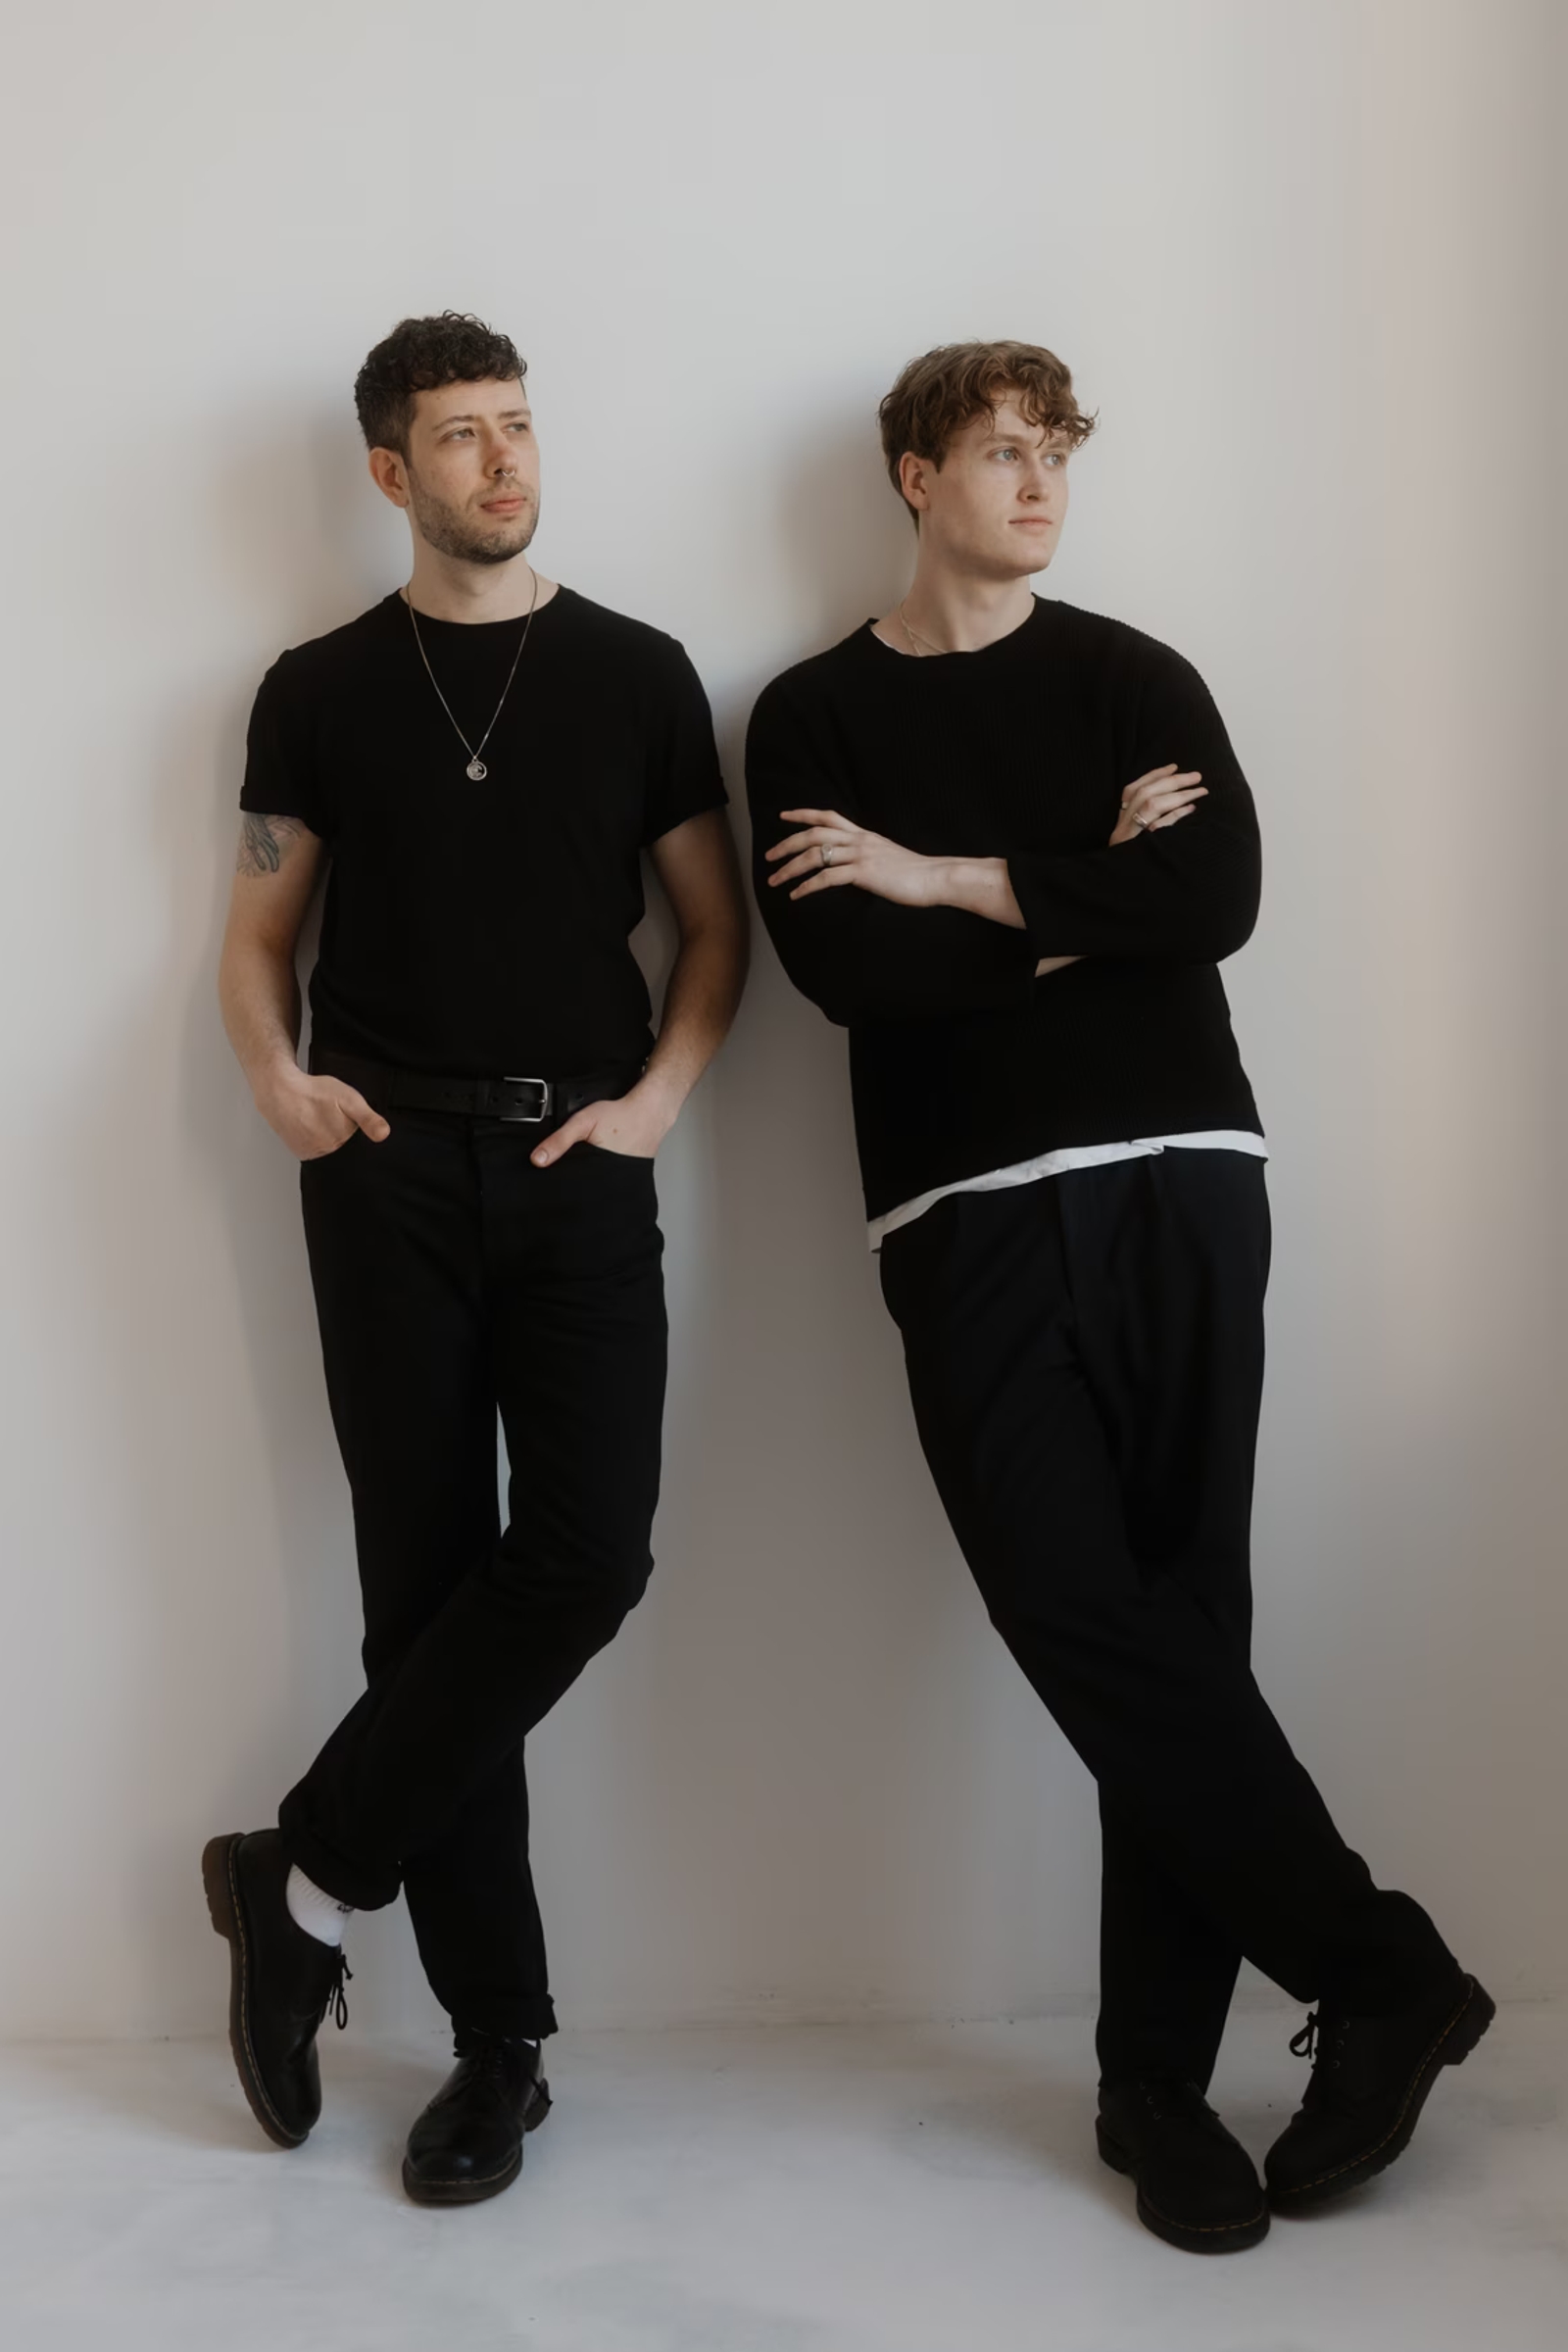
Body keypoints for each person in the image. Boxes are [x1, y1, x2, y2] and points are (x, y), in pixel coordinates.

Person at [745, 339, 1490, 2255]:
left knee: (1179, 1626)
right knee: (1084, 1616)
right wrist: (1080, 897)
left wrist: (948, 880)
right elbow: (844, 978)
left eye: (1055, 452)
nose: (1037, 482)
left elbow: (1215, 899)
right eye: (1000, 452)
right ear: (912, 477)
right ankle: (1379, 1972)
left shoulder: (1132, 676)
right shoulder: (810, 719)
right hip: (962, 1211)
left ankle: (1151, 2089)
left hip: (1182, 1181)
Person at [207, 311, 747, 2206]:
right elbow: (259, 938)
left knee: (587, 1554)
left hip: (579, 1152)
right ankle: (495, 2052)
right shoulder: (317, 689)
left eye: (519, 428)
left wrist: (662, 1099)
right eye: (460, 437)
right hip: (381, 1168)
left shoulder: (641, 673)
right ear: (390, 472)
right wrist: (278, 1087)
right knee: (424, 1600)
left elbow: (710, 934)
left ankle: (305, 1870)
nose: (504, 463)